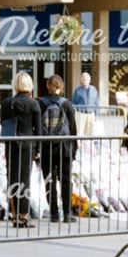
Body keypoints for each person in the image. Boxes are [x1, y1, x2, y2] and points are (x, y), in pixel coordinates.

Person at [0, 72, 41, 227]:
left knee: (12, 178)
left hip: (11, 143)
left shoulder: (6, 102)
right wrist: (38, 150)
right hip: (28, 144)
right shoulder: (33, 103)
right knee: (25, 180)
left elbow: (3, 121)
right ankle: (23, 216)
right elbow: (39, 129)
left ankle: (14, 213)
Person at [38, 75, 77, 223]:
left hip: (46, 147)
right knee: (66, 180)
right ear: (61, 87)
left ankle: (54, 213)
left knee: (50, 180)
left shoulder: (41, 103)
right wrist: (74, 148)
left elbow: (38, 128)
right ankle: (67, 214)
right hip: (64, 147)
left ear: (48, 86)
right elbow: (73, 128)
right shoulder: (67, 104)